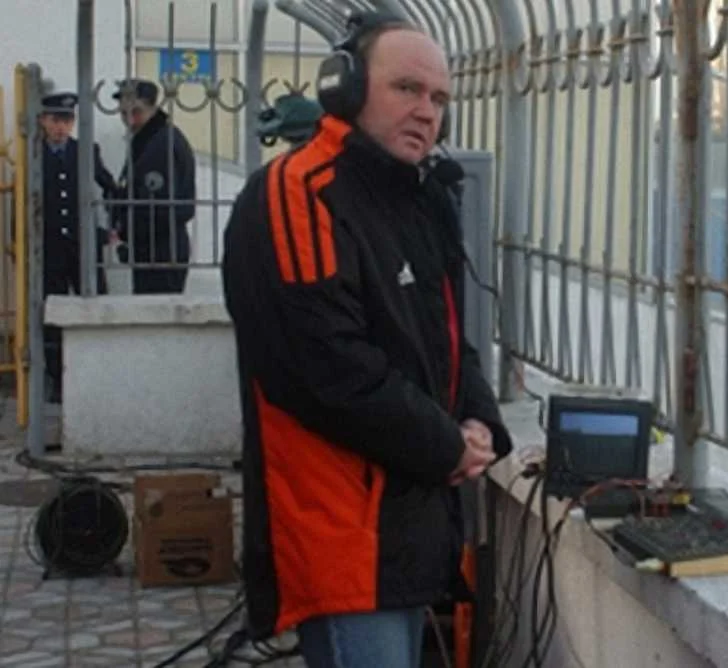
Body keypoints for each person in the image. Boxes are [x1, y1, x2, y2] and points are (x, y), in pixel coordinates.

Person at [220, 12, 512, 667]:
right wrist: (447, 446)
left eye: (439, 98)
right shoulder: (295, 194)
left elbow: (448, 337)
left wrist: (480, 419)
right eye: (406, 88)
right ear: (345, 89)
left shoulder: (419, 199)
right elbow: (325, 368)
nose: (426, 111)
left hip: (409, 520)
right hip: (342, 535)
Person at [38, 91, 119, 403]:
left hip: (83, 244)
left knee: (94, 304)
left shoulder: (85, 150)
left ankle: (100, 372)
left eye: (67, 120)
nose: (61, 127)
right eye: (55, 120)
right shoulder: (33, 154)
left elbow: (109, 187)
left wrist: (109, 228)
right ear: (43, 120)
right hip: (49, 247)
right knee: (52, 311)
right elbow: (23, 198)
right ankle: (57, 378)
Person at [108, 78, 196, 294]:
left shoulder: (160, 144)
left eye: (136, 112)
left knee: (158, 306)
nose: (129, 120)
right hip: (154, 247)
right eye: (124, 114)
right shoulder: (149, 140)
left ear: (152, 109)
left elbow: (156, 207)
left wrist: (128, 233)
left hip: (161, 249)